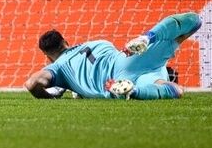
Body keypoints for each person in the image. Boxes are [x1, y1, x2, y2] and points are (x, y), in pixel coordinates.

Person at [25, 12, 202, 100]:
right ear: (66, 42)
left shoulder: (59, 67)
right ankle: (148, 37)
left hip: (115, 83)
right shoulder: (97, 43)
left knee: (175, 91)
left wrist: (52, 97)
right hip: (127, 60)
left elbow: (32, 83)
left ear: (48, 57)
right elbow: (193, 21)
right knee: (195, 21)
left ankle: (132, 91)